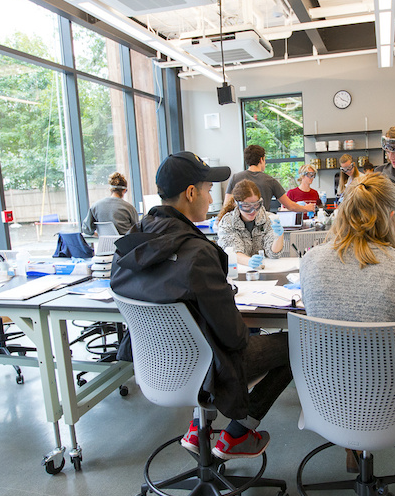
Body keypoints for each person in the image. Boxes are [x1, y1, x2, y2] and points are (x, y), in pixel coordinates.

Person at [110, 151, 293, 459]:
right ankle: (239, 431)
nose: (211, 199)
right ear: (191, 192)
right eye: (209, 190)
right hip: (209, 368)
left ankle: (200, 426)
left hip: (159, 366)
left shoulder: (128, 244)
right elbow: (235, 338)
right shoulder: (198, 254)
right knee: (295, 343)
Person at [299, 171, 395, 479]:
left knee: (344, 362)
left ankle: (353, 451)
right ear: (391, 216)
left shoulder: (310, 262)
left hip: (329, 400)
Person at [225, 145, 316, 213]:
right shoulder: (270, 181)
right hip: (262, 228)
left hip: (239, 229)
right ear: (261, 160)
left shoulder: (235, 178)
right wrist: (306, 208)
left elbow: (227, 206)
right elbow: (290, 206)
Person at [215, 179, 285, 268]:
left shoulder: (268, 219)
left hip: (264, 269)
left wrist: (278, 237)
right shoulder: (227, 222)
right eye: (246, 206)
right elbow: (233, 252)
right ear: (237, 204)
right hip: (238, 270)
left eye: (256, 205)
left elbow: (274, 254)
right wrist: (249, 261)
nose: (253, 211)